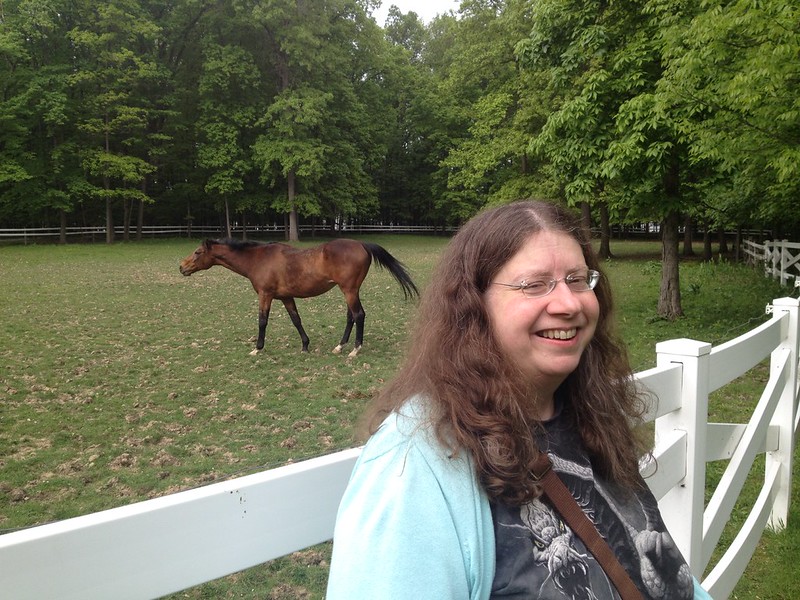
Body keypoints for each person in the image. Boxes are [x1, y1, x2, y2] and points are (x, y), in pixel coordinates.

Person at [326, 200, 712, 599]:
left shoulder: (589, 413)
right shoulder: (414, 464)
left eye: (578, 279)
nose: (568, 304)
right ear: (474, 307)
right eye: (534, 284)